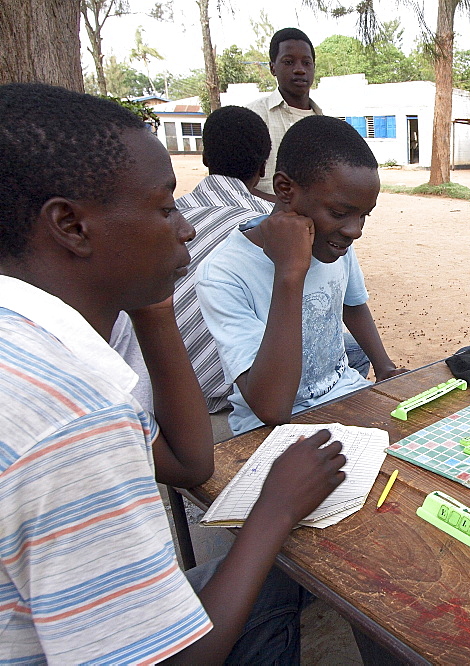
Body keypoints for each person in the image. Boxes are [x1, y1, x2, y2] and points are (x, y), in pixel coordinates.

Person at [0, 83, 346, 663]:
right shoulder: (77, 421)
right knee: (281, 573)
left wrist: (151, 300)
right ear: (71, 225)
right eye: (164, 209)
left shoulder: (32, 345)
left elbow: (189, 463)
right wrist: (276, 508)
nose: (185, 229)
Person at [196, 115, 406, 435]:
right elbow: (271, 408)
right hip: (268, 429)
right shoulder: (223, 274)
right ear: (284, 189)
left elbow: (352, 303)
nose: (355, 230)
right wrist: (290, 272)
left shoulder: (334, 243)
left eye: (364, 215)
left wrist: (384, 366)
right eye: (339, 213)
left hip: (343, 395)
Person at [174, 106, 274, 429]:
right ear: (263, 167)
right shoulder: (270, 224)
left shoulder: (172, 215)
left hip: (167, 395)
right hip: (230, 403)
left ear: (205, 157)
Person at [245, 27, 320, 201]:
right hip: (263, 221)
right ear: (272, 68)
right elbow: (238, 186)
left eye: (306, 63)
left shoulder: (324, 124)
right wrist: (287, 209)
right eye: (288, 62)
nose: (300, 70)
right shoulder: (252, 118)